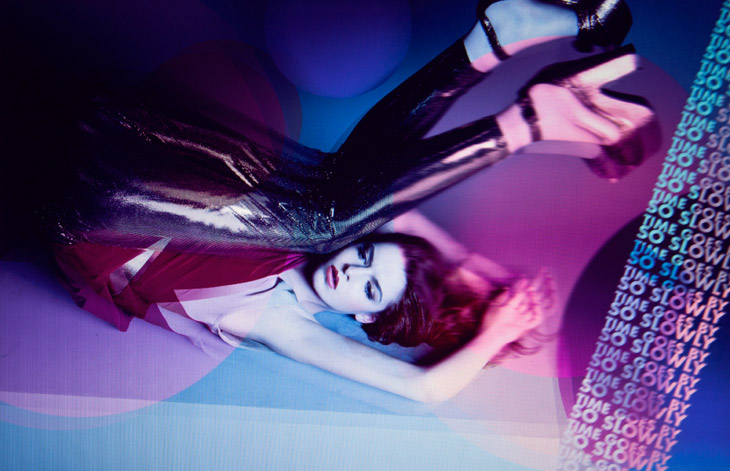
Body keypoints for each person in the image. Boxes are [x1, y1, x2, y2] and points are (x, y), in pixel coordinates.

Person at [35, 0, 656, 402]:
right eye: (365, 258)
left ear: (363, 318)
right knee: (342, 192)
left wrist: (493, 333)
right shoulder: (305, 238)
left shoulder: (282, 322)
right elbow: (391, 212)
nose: (351, 270)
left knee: (327, 215)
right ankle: (487, 48)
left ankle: (522, 111)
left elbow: (423, 389)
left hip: (94, 212)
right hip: (126, 142)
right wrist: (469, 267)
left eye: (367, 287)